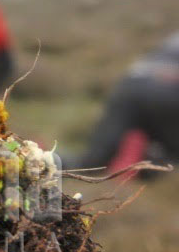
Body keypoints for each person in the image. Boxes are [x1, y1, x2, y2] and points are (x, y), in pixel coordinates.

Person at [65, 32, 179, 171]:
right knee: (171, 159)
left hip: (132, 84)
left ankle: (41, 160)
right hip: (167, 93)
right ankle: (149, 165)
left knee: (93, 162)